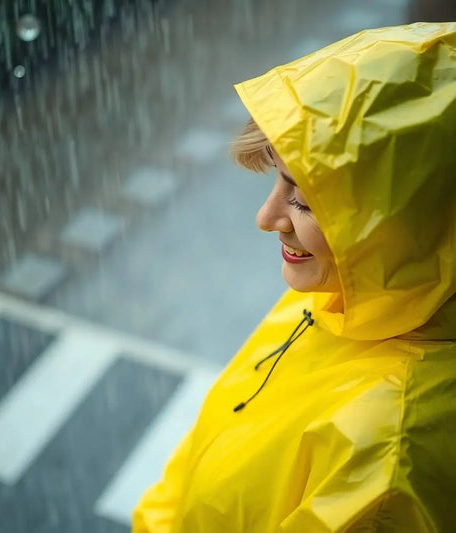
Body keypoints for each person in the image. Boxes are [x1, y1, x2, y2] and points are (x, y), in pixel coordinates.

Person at [132, 22, 456, 532]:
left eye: (305, 200)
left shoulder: (388, 454)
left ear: (407, 224)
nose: (266, 218)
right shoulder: (342, 297)